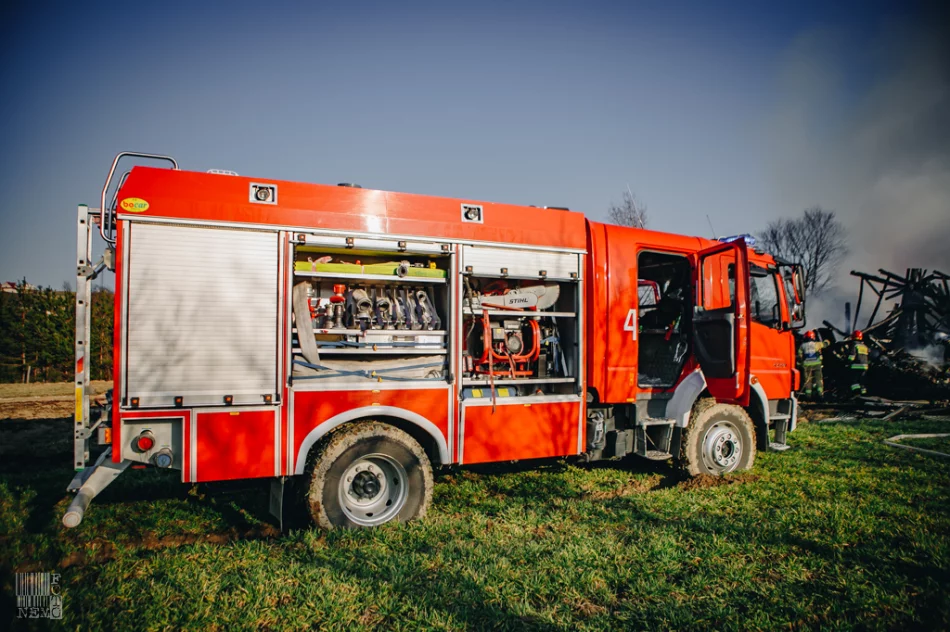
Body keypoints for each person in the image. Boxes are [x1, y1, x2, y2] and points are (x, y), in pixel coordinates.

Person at [798, 330, 826, 400]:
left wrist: (801, 363)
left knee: (808, 381)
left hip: (806, 366)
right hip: (817, 365)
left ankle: (808, 396)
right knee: (818, 380)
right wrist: (827, 341)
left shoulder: (802, 346)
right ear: (813, 337)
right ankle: (820, 395)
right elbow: (824, 344)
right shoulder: (817, 344)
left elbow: (800, 356)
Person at [846, 330, 870, 396]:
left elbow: (852, 356)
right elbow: (868, 355)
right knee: (862, 381)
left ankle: (856, 394)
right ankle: (864, 394)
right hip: (865, 366)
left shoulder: (854, 344)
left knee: (854, 381)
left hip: (856, 366)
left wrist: (848, 362)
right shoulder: (864, 346)